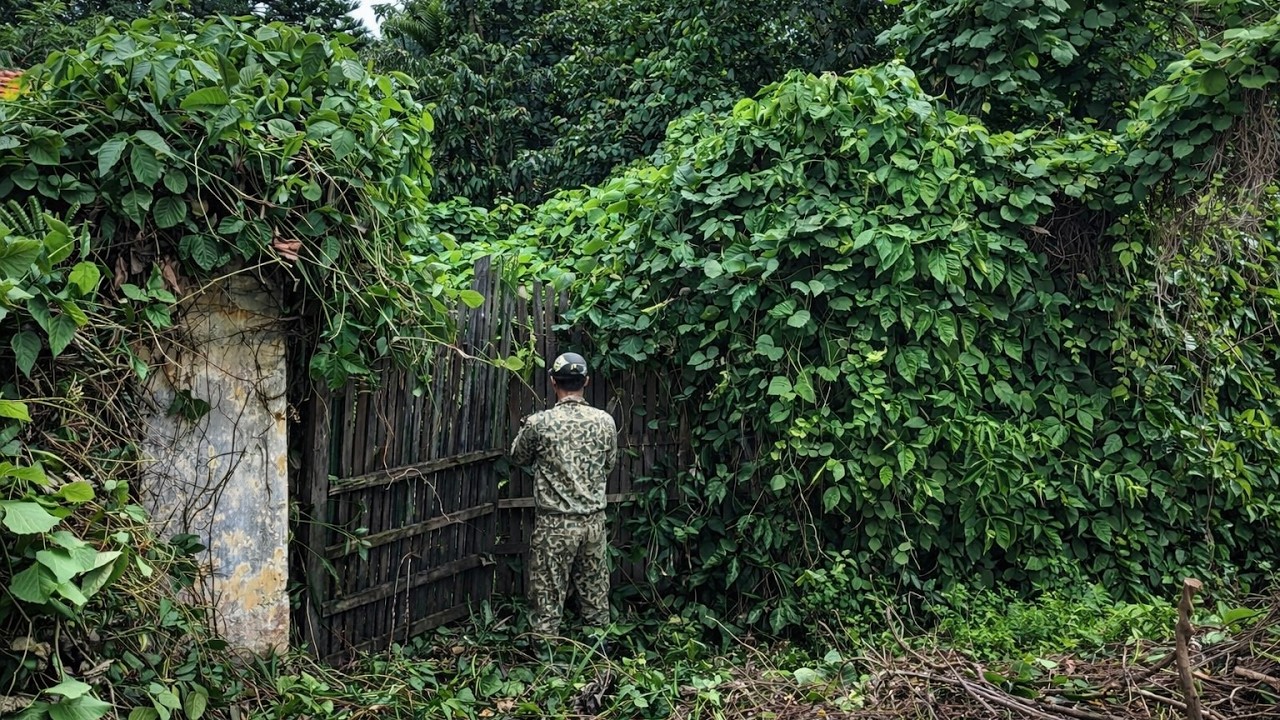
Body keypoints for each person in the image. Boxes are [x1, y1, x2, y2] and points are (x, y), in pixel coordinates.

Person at [509, 352, 618, 635]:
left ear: (553, 382)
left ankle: (546, 665)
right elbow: (609, 464)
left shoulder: (540, 423)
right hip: (593, 524)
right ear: (586, 382)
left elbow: (518, 457)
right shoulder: (605, 422)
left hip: (554, 526)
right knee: (595, 598)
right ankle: (599, 662)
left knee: (546, 600)